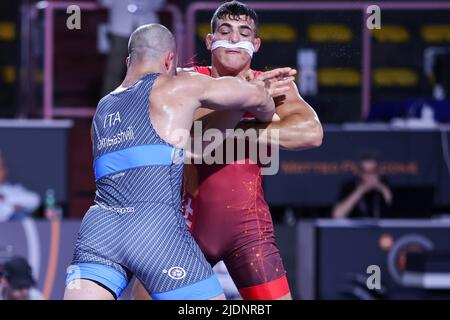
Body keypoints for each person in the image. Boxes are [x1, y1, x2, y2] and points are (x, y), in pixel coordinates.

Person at [64, 23, 293, 300]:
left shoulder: (103, 107)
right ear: (169, 59)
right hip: (155, 231)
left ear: (128, 61)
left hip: (99, 230)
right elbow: (257, 99)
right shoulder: (177, 87)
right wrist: (261, 97)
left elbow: (187, 148)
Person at [134, 1, 323, 300]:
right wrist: (247, 105)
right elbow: (189, 140)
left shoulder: (273, 85)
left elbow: (311, 133)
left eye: (243, 32)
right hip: (185, 226)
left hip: (248, 231)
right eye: (225, 30)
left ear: (255, 44)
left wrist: (239, 129)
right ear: (210, 41)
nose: (234, 39)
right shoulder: (186, 80)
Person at [99, 0, 166, 96]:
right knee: (115, 69)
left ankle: (148, 105)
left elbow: (159, 4)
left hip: (147, 26)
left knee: (150, 69)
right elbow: (105, 2)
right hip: (120, 26)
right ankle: (109, 107)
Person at [332, 153, 393, 219]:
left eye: (373, 171)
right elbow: (337, 215)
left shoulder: (385, 185)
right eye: (365, 171)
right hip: (353, 228)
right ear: (359, 172)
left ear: (379, 172)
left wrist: (380, 187)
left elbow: (397, 212)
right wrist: (360, 191)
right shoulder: (349, 186)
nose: (369, 175)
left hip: (380, 228)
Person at [0, 152, 40, 222]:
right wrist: (12, 207)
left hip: (12, 230)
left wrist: (5, 199)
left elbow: (34, 200)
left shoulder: (13, 189)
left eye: (1, 168)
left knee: (20, 216)